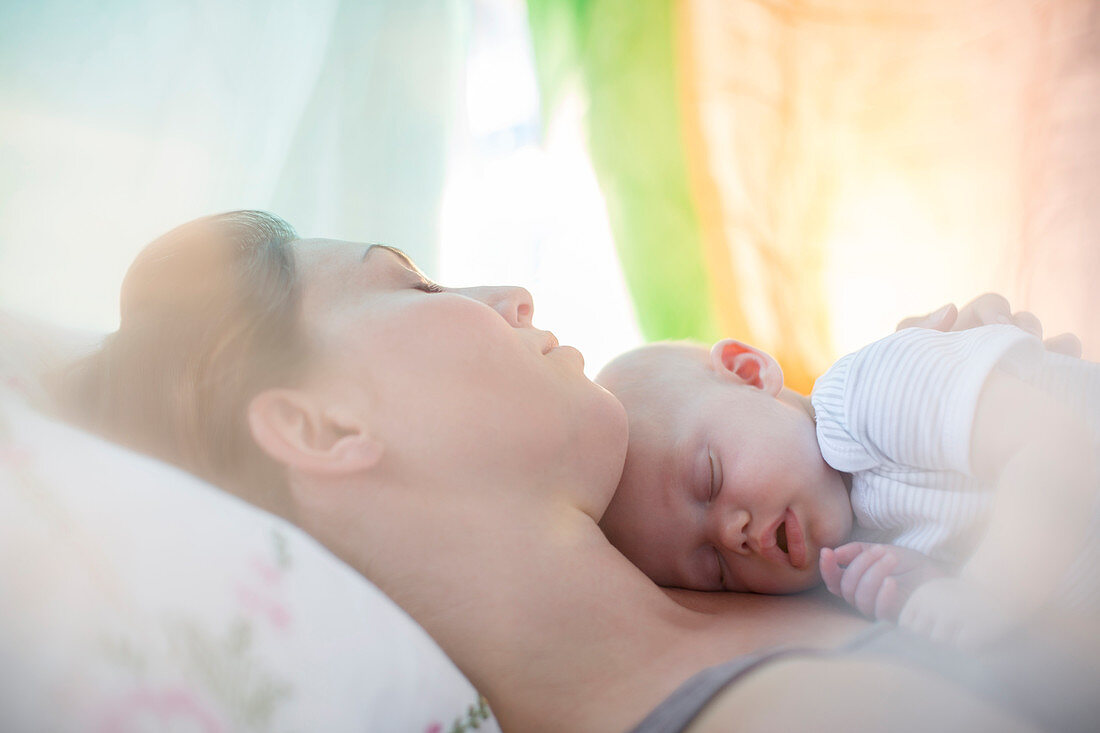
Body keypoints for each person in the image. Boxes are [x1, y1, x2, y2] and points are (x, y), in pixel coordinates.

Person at [62, 211, 1098, 732]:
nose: (510, 292)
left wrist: (987, 426)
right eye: (413, 284)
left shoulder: (773, 552)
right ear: (323, 427)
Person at [596, 305, 1099, 646]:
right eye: (713, 570)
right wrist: (934, 582)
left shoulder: (864, 395)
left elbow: (1058, 444)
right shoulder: (856, 560)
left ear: (749, 373)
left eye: (709, 481)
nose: (732, 537)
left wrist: (989, 591)